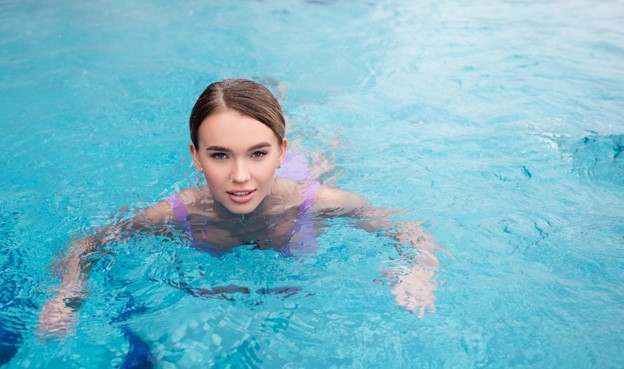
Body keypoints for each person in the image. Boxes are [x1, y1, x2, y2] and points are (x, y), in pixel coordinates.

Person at [38, 78, 441, 335]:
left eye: (258, 153)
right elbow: (87, 243)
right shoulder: (176, 213)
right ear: (196, 158)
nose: (241, 176)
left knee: (323, 160)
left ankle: (281, 104)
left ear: (280, 152)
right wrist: (66, 293)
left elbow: (408, 230)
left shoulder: (320, 203)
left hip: (295, 179)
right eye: (219, 156)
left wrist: (417, 272)